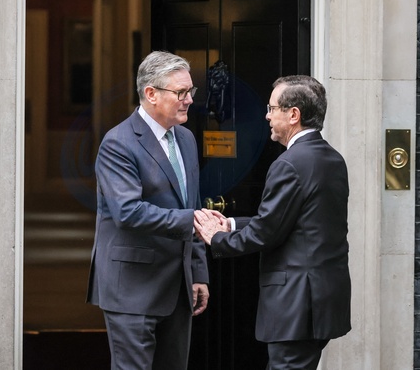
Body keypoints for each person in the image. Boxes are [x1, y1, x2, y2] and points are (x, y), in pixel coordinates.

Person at [194, 75, 351, 370]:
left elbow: (266, 232)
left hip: (297, 302)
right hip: (323, 299)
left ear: (294, 115)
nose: (267, 115)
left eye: (272, 108)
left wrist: (216, 238)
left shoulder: (289, 164)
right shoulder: (332, 158)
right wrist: (231, 224)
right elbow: (294, 222)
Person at [87, 50, 210, 370]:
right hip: (132, 288)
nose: (189, 100)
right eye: (180, 92)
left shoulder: (186, 139)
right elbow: (128, 212)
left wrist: (198, 272)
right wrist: (193, 220)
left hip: (178, 286)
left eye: (191, 91)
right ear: (151, 93)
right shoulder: (118, 143)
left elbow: (191, 203)